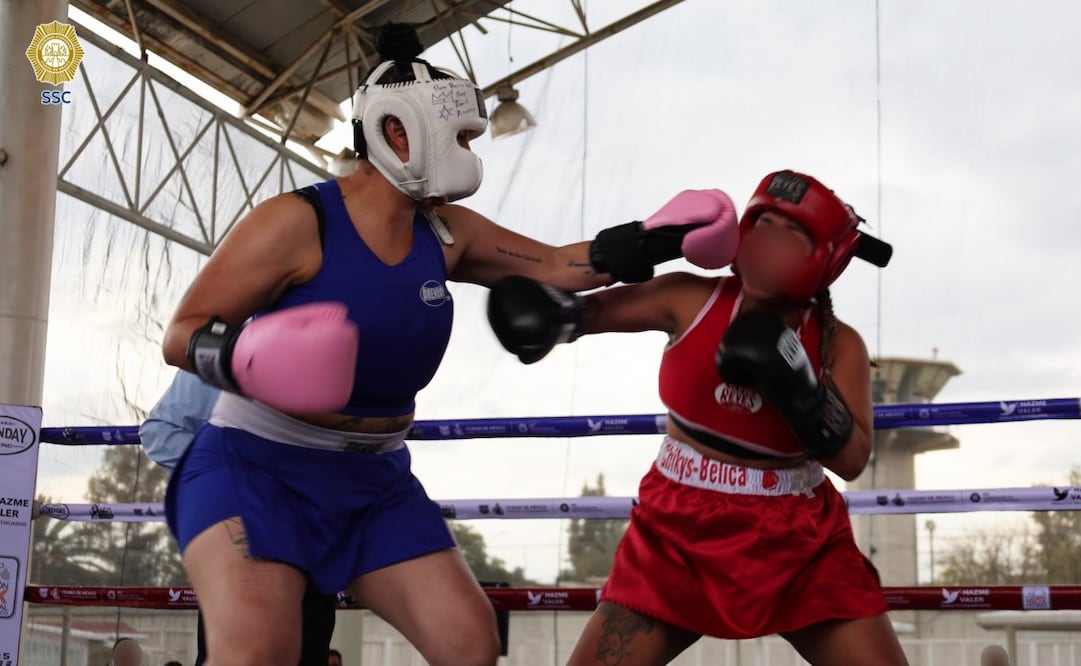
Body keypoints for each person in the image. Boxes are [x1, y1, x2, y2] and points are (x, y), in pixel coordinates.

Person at [158, 22, 734, 666]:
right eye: (460, 135)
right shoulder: (297, 221)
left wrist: (657, 236)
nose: (469, 151)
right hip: (257, 469)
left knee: (469, 643)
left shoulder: (445, 231)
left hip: (373, 480)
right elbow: (181, 333)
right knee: (258, 654)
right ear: (398, 131)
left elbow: (552, 265)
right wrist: (249, 356)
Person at [488, 170, 907, 665]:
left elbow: (855, 460)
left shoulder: (839, 343)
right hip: (678, 531)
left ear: (825, 259)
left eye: (787, 235)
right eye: (761, 226)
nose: (765, 245)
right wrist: (553, 316)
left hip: (800, 542)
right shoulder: (690, 298)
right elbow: (588, 314)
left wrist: (800, 387)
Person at [140, 370, 338, 666]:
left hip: (315, 533)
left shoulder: (350, 341)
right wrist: (230, 478)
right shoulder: (231, 347)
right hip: (242, 536)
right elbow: (160, 430)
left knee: (307, 650)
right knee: (235, 651)